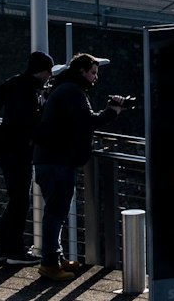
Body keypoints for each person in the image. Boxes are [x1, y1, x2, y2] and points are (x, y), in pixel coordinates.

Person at [33, 53, 126, 281]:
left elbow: (79, 120)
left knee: (56, 213)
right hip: (58, 162)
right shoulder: (72, 92)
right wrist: (112, 112)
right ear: (81, 71)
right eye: (93, 72)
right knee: (55, 215)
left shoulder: (64, 89)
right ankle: (49, 265)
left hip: (52, 160)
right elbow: (88, 121)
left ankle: (56, 257)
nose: (95, 77)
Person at [0, 51, 53, 264]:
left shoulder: (17, 85)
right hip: (17, 152)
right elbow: (31, 122)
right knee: (19, 201)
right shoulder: (28, 91)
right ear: (41, 71)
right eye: (48, 71)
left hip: (8, 151)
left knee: (15, 200)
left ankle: (1, 248)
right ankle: (14, 250)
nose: (49, 76)